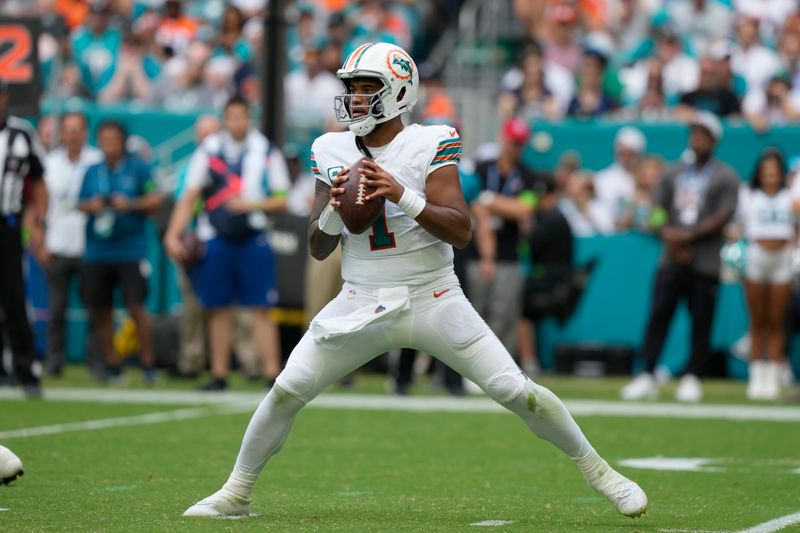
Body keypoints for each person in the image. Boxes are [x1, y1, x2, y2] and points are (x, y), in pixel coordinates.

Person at [183, 42, 647, 520]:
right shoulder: (330, 148)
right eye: (352, 89)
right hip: (359, 296)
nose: (356, 99)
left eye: (368, 88)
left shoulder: (430, 141)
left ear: (399, 92)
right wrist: (332, 213)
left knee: (515, 389)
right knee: (286, 388)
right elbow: (317, 247)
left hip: (432, 295)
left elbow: (462, 230)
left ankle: (599, 472)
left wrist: (401, 194)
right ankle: (236, 491)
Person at [164, 96, 290, 391]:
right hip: (216, 237)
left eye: (241, 117)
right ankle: (219, 373)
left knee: (261, 307)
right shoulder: (208, 151)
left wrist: (251, 205)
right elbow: (190, 196)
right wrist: (173, 233)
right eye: (231, 117)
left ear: (249, 119)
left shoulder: (266, 151)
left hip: (253, 235)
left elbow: (283, 201)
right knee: (217, 307)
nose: (236, 123)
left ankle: (272, 372)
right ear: (224, 119)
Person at [620, 112, 740, 402]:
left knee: (701, 319)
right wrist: (667, 233)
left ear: (713, 140)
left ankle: (693, 375)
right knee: (659, 314)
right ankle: (648, 372)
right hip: (671, 256)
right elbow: (657, 207)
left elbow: (722, 217)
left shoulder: (726, 176)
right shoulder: (673, 172)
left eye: (703, 135)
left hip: (705, 259)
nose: (696, 140)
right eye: (694, 134)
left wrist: (687, 236)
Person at [78, 120, 163, 383]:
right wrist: (94, 206)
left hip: (130, 249)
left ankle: (148, 362)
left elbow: (156, 199)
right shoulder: (92, 170)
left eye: (114, 140)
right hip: (98, 250)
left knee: (136, 306)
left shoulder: (137, 167)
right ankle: (112, 363)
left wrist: (131, 204)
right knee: (101, 308)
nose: (109, 145)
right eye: (104, 140)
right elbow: (80, 203)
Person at [467, 117, 539, 364]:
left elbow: (524, 209)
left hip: (509, 254)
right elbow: (472, 202)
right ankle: (472, 367)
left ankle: (498, 368)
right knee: (474, 312)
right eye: (512, 142)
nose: (514, 148)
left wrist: (489, 200)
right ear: (503, 139)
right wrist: (501, 205)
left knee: (504, 315)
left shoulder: (527, 175)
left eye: (519, 143)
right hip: (476, 251)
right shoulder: (483, 167)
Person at [42, 112, 102, 376]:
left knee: (95, 309)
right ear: (62, 132)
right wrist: (39, 240)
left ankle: (95, 362)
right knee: (56, 310)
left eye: (78, 129)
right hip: (58, 244)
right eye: (68, 129)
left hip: (90, 246)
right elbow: (41, 205)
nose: (73, 134)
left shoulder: (97, 160)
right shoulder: (50, 162)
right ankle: (54, 361)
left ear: (86, 132)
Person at [0, 82, 47, 397]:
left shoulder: (22, 134)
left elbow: (40, 181)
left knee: (14, 297)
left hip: (8, 222)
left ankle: (26, 367)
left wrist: (40, 222)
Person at [738, 149, 797, 400]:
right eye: (766, 172)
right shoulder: (749, 195)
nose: (770, 176)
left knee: (776, 320)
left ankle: (772, 374)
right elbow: (738, 227)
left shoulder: (790, 196)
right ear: (759, 174)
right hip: (756, 258)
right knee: (757, 320)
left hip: (782, 258)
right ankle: (756, 374)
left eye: (774, 172)